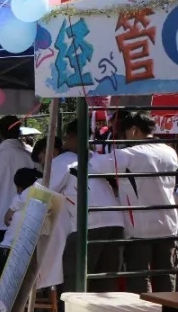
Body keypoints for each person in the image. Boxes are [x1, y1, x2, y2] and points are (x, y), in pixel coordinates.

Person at [91, 112, 178, 294]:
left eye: (124, 134)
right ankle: (169, 311)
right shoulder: (170, 152)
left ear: (134, 130)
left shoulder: (129, 155)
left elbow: (95, 165)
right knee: (166, 275)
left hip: (139, 228)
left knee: (139, 277)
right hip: (169, 225)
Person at [50, 120, 125, 294]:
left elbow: (46, 189)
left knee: (76, 275)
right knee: (105, 280)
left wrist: (17, 206)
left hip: (89, 222)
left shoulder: (62, 161)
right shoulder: (97, 159)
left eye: (67, 138)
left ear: (73, 137)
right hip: (115, 221)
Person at [0, 116, 35, 246]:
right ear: (19, 131)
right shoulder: (31, 158)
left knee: (1, 257)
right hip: (28, 219)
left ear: (0, 134)